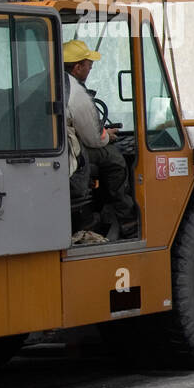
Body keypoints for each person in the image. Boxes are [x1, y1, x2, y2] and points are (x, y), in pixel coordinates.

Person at [63, 39, 138, 239]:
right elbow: (95, 139)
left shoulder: (50, 81)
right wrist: (108, 135)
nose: (90, 68)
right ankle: (127, 218)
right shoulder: (77, 94)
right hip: (70, 152)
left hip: (58, 146)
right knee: (115, 159)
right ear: (77, 67)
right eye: (89, 65)